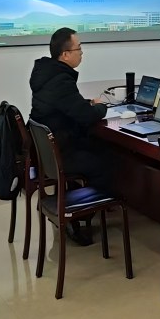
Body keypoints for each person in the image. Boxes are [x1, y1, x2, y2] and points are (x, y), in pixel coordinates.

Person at [29, 28, 110, 245]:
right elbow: (86, 116)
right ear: (65, 55)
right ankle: (77, 216)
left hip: (48, 152)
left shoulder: (48, 74)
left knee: (97, 147)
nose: (82, 53)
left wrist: (87, 104)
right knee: (107, 162)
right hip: (61, 153)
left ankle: (72, 209)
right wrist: (101, 107)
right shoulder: (61, 81)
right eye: (79, 48)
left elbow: (68, 107)